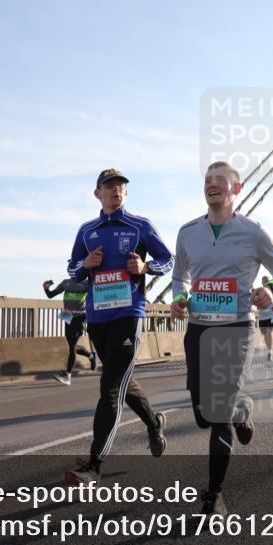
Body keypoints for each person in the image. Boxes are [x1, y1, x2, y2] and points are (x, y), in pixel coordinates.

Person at [171, 161, 273, 517]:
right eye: (207, 180)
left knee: (218, 410)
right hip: (199, 327)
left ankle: (214, 495)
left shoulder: (254, 232)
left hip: (237, 328)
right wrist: (179, 298)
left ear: (235, 190)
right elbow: (181, 277)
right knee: (201, 413)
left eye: (220, 180)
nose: (212, 185)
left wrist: (271, 289)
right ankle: (242, 409)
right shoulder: (188, 232)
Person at [64, 168, 174, 485]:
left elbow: (167, 259)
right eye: (109, 186)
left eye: (121, 186)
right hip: (98, 318)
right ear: (97, 193)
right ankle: (154, 424)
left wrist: (145, 266)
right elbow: (72, 267)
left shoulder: (140, 226)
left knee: (110, 389)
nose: (116, 190)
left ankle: (94, 465)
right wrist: (86, 265)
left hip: (129, 313)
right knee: (124, 383)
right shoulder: (87, 231)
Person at [43, 277, 98, 384]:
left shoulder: (86, 282)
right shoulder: (65, 282)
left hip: (80, 316)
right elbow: (51, 295)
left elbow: (96, 296)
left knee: (72, 346)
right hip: (67, 315)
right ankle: (91, 356)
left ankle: (67, 376)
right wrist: (46, 289)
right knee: (72, 346)